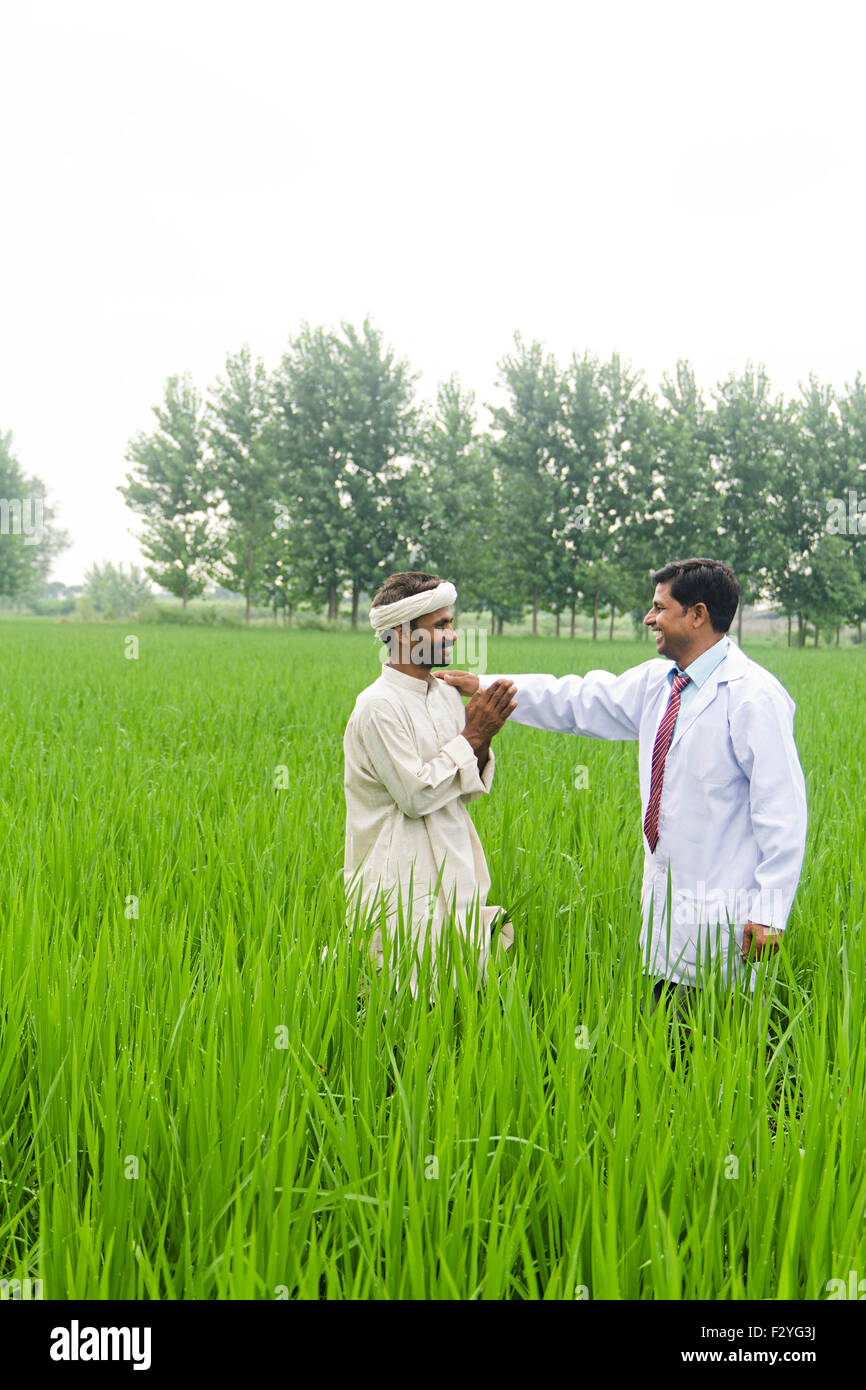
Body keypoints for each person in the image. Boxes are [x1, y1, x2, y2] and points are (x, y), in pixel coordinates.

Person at [437, 558, 808, 1023]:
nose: (649, 618)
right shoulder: (661, 682)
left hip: (726, 908)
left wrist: (770, 909)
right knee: (666, 1033)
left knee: (719, 1041)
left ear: (697, 615)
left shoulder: (754, 696)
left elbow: (783, 812)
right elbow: (577, 700)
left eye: (659, 608)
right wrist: (487, 686)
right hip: (667, 903)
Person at [343, 571, 516, 995]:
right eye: (441, 625)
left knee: (462, 988)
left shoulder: (442, 695)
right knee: (402, 995)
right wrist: (473, 734)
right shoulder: (378, 707)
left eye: (451, 623)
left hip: (455, 862)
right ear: (402, 633)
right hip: (398, 878)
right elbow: (416, 796)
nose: (453, 636)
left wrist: (483, 734)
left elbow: (466, 787)